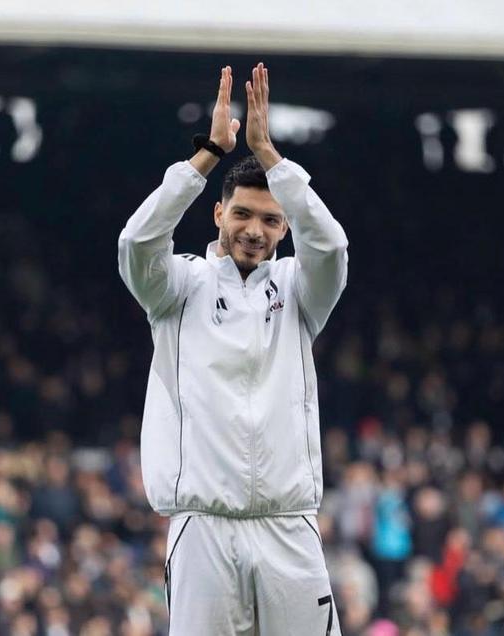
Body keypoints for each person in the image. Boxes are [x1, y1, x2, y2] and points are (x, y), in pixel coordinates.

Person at [118, 62, 348, 635]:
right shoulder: (177, 286)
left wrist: (272, 157)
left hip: (287, 525)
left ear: (285, 228)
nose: (254, 230)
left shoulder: (300, 289)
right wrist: (208, 156)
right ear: (219, 212)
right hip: (203, 526)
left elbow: (332, 247)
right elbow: (137, 242)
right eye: (242, 213)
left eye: (271, 220)